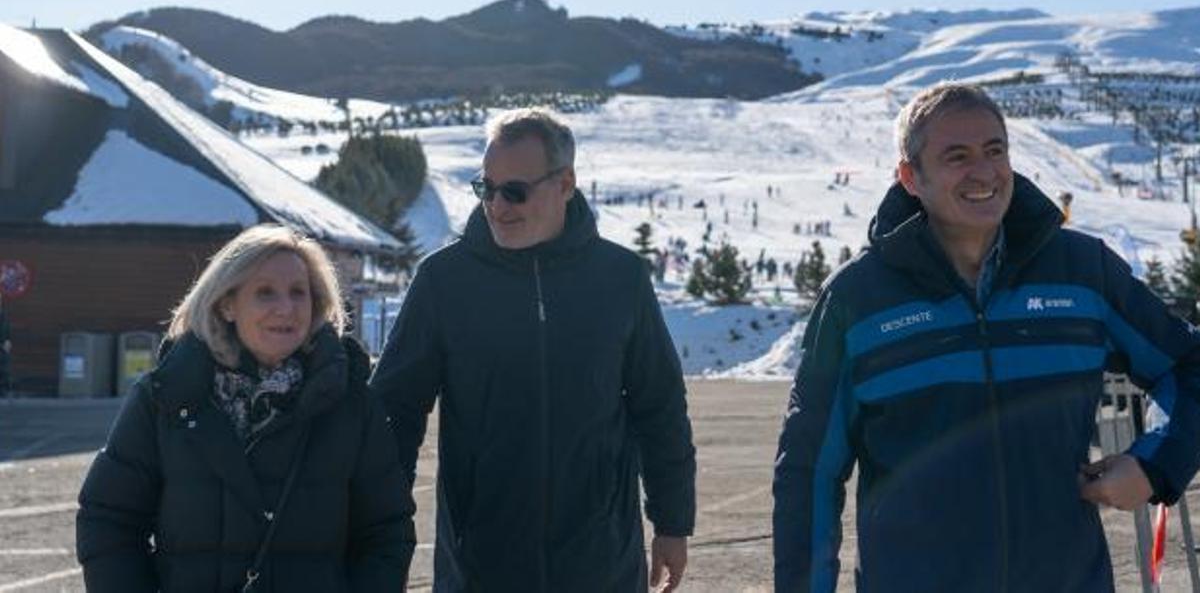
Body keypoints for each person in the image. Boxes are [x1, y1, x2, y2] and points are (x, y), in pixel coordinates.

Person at [773, 83, 1200, 592]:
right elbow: (810, 472)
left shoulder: (1083, 273)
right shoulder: (857, 299)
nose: (984, 172)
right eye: (957, 156)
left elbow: (1188, 366)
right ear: (911, 177)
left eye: (995, 151)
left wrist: (1154, 465)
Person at [372, 108, 696, 592]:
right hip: (480, 566)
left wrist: (673, 521)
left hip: (601, 562)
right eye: (486, 189)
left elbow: (660, 407)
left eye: (515, 191)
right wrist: (377, 538)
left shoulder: (621, 279)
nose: (497, 206)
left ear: (565, 184)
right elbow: (392, 415)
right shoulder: (444, 282)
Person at [77, 224, 414, 592]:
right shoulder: (164, 397)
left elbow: (385, 532)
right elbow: (109, 520)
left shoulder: (350, 404)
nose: (286, 308)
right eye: (265, 293)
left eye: (298, 292)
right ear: (227, 304)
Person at [0, 293, 11, 396]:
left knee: (3, 367)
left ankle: (2, 389)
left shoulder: (4, 315)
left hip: (2, 346)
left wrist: (8, 340)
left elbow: (7, 329)